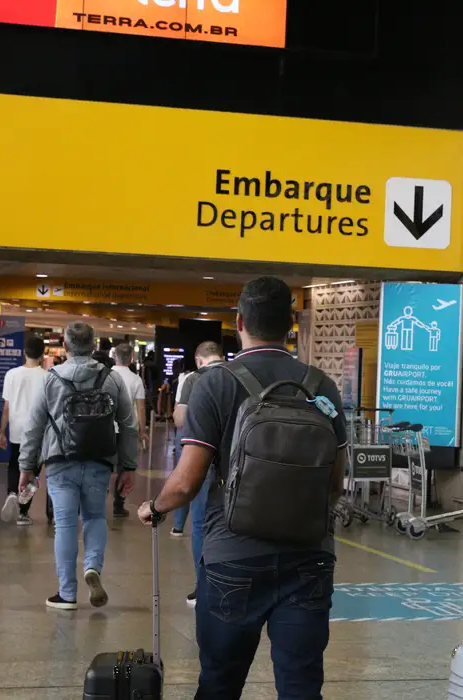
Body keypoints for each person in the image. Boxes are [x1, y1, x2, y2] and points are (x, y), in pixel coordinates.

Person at [136, 277, 347, 699]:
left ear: (238, 323)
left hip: (234, 558)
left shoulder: (215, 384)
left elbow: (187, 481)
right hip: (309, 558)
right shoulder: (320, 385)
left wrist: (155, 507)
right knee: (302, 686)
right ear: (291, 323)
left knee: (219, 683)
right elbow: (336, 481)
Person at [18, 322, 138, 611]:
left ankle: (67, 593)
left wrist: (27, 466)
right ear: (94, 346)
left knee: (65, 524)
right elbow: (128, 424)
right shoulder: (111, 379)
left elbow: (34, 426)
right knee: (95, 516)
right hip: (99, 460)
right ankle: (92, 566)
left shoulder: (51, 378)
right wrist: (128, 466)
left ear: (65, 345)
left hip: (60, 461)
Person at [169, 340, 224, 607]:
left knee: (201, 522)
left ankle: (203, 586)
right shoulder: (238, 375)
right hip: (237, 460)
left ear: (199, 359)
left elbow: (180, 419)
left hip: (204, 457)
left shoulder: (193, 379)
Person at [0, 336, 49, 526]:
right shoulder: (47, 377)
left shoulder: (11, 374)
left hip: (16, 428)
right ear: (42, 354)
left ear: (24, 353)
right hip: (38, 430)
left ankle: (12, 492)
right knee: (32, 471)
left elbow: (6, 407)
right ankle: (23, 512)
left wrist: (2, 431)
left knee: (14, 464)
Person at [110, 343, 147, 519]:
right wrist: (142, 430)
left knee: (104, 465)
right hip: (127, 430)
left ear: (114, 356)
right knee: (124, 467)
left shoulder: (106, 375)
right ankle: (118, 505)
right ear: (131, 358)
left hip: (107, 428)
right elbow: (141, 408)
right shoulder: (136, 379)